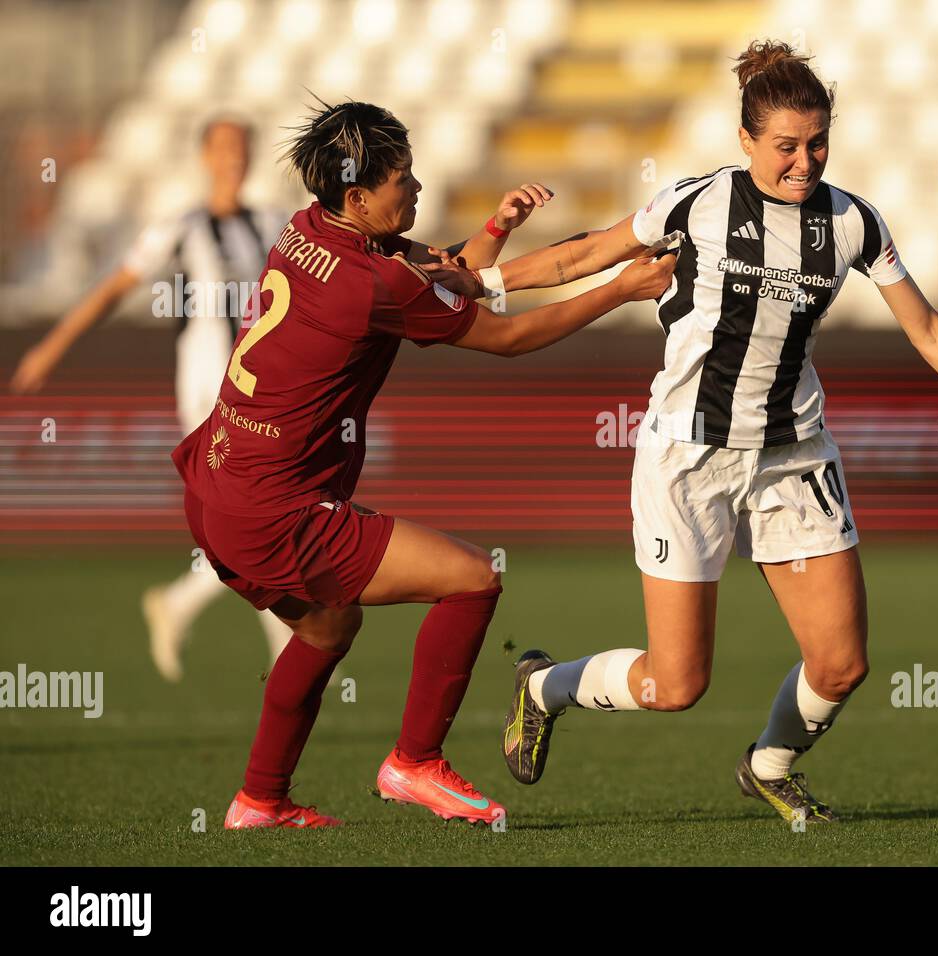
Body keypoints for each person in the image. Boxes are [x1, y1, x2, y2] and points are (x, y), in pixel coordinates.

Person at [492, 40, 938, 823]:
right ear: (746, 141)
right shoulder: (696, 202)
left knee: (841, 665)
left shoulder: (851, 221)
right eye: (785, 147)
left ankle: (770, 765)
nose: (803, 162)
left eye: (817, 144)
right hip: (689, 457)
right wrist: (478, 278)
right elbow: (587, 258)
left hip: (793, 456)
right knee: (677, 686)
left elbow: (929, 329)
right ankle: (543, 685)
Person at [169, 99, 675, 828]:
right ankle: (413, 763)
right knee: (473, 579)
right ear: (356, 196)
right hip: (276, 510)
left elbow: (451, 274)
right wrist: (619, 289)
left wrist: (498, 228)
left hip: (216, 486)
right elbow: (508, 338)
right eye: (402, 179)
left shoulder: (308, 230)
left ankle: (259, 800)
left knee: (324, 629)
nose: (416, 188)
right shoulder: (373, 283)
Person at [10, 117, 296, 682]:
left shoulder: (271, 224)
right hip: (206, 390)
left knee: (261, 519)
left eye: (240, 148)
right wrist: (50, 347)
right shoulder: (182, 226)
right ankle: (284, 651)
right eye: (221, 147)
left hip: (261, 393)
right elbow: (115, 285)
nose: (231, 158)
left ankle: (183, 606)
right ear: (205, 156)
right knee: (261, 514)